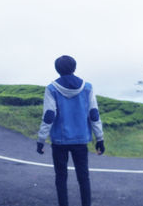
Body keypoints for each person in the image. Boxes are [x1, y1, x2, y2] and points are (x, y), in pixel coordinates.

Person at [37, 55, 105, 206]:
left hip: (59, 141)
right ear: (74, 67)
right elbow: (93, 114)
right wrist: (99, 138)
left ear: (57, 69)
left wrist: (41, 139)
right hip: (81, 140)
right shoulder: (87, 87)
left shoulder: (51, 89)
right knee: (83, 177)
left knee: (61, 177)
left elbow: (49, 115)